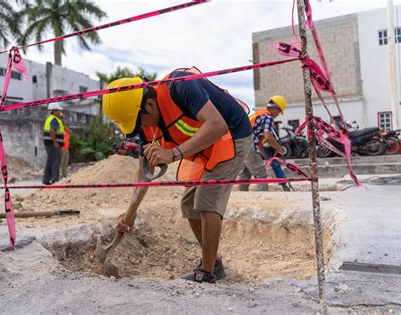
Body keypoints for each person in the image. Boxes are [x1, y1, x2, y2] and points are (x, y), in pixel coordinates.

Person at [102, 67, 253, 284]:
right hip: (204, 144)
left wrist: (173, 153)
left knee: (207, 200)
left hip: (233, 134)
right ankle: (215, 263)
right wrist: (129, 215)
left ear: (150, 105)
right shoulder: (146, 121)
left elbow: (217, 125)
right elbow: (144, 173)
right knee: (189, 203)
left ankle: (207, 273)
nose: (143, 127)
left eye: (141, 121)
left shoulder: (181, 85)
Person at [239, 95, 290, 191]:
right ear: (274, 108)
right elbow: (268, 136)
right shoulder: (268, 117)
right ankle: (264, 196)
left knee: (244, 175)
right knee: (260, 174)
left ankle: (243, 197)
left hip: (239, 147)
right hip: (249, 147)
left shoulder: (258, 114)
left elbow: (256, 136)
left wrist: (264, 153)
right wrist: (280, 150)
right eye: (279, 111)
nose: (278, 114)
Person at [42, 102, 64, 185]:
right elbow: (51, 131)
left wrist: (61, 119)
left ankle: (46, 180)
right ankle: (55, 180)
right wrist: (55, 142)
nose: (60, 112)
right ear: (54, 111)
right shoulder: (54, 120)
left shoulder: (51, 118)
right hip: (52, 144)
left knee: (50, 161)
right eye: (58, 111)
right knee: (56, 161)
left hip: (48, 143)